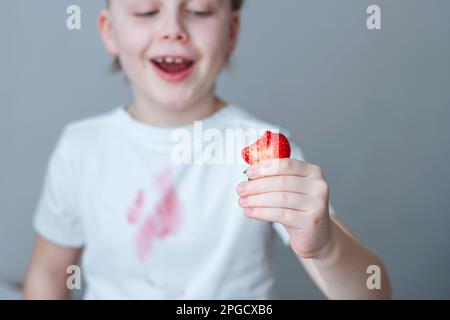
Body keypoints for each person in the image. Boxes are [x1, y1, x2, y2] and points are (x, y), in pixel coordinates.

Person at [23, 0, 391, 299]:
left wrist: (325, 246)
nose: (173, 29)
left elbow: (372, 293)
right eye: (146, 11)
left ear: (232, 31)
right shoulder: (81, 147)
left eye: (198, 11)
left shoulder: (263, 149)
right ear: (109, 30)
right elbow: (48, 275)